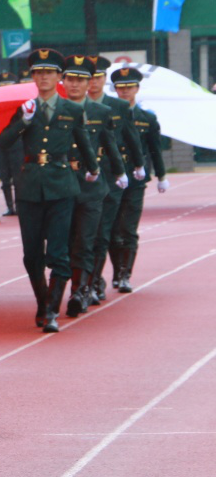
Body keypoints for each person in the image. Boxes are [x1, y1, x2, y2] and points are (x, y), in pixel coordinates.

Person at [0, 48, 100, 333]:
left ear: (58, 77)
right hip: (30, 187)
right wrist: (25, 121)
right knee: (32, 254)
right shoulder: (25, 108)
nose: (43, 77)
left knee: (58, 253)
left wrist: (94, 169)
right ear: (32, 76)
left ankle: (53, 310)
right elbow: (4, 142)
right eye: (38, 72)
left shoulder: (72, 109)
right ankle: (43, 302)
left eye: (49, 72)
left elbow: (83, 142)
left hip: (61, 186)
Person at [60, 55, 126, 318]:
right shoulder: (56, 109)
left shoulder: (102, 112)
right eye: (71, 79)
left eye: (81, 80)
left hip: (91, 187)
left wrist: (120, 172)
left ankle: (80, 290)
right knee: (64, 242)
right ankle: (76, 285)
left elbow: (109, 145)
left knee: (87, 241)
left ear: (90, 83)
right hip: (62, 185)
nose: (75, 85)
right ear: (63, 81)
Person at [85, 56, 145, 304]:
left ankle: (95, 281)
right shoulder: (72, 105)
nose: (94, 82)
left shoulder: (117, 107)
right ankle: (90, 280)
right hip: (82, 177)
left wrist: (139, 166)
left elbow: (131, 138)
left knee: (104, 231)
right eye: (90, 78)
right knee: (82, 234)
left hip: (110, 176)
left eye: (98, 77)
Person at [109, 66, 168, 293]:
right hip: (113, 175)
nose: (125, 91)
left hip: (136, 177)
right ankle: (116, 271)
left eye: (130, 87)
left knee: (128, 228)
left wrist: (161, 175)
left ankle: (125, 274)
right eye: (121, 88)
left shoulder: (147, 118)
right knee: (112, 229)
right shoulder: (108, 113)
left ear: (137, 88)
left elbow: (154, 149)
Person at [0, 71, 21, 216]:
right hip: (2, 146)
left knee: (18, 179)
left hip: (17, 146)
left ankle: (18, 205)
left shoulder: (20, 103)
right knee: (5, 179)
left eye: (8, 85)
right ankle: (9, 206)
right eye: (3, 85)